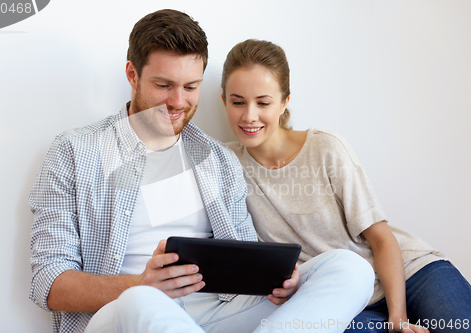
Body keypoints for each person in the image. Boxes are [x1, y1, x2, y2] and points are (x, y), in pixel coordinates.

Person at [29, 9, 376, 333]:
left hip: (213, 311)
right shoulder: (74, 151)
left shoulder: (217, 158)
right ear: (133, 75)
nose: (178, 102)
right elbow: (48, 281)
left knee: (350, 267)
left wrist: (275, 283)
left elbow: (244, 252)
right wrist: (140, 284)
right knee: (143, 300)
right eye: (163, 86)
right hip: (125, 310)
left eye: (191, 87)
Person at [222, 39, 471, 333]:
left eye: (263, 103)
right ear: (224, 100)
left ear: (284, 102)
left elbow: (381, 239)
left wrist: (398, 317)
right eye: (238, 102)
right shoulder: (225, 165)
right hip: (344, 298)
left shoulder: (325, 148)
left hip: (408, 273)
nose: (249, 115)